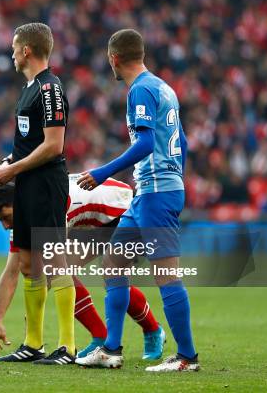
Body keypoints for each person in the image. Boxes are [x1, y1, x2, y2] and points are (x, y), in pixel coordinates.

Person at [76, 29, 198, 371]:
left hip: (157, 192)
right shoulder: (164, 87)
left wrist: (102, 172)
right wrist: (177, 180)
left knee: (166, 274)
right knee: (113, 266)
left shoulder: (140, 90)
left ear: (113, 58)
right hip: (151, 191)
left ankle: (187, 357)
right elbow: (183, 142)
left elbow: (145, 145)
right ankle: (111, 350)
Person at [0, 176, 165, 361]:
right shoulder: (27, 213)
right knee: (60, 271)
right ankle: (100, 335)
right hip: (93, 220)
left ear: (19, 203)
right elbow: (11, 271)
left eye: (6, 217)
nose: (5, 226)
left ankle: (152, 330)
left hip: (126, 211)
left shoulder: (50, 205)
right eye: (1, 221)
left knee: (110, 276)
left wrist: (33, 314)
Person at [0, 23, 74, 365]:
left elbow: (54, 145)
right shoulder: (29, 89)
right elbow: (31, 141)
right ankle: (33, 343)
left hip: (45, 182)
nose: (10, 53)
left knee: (54, 259)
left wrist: (14, 168)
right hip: (26, 182)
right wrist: (10, 160)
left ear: (26, 50)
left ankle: (68, 347)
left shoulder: (50, 88)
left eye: (14, 47)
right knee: (27, 261)